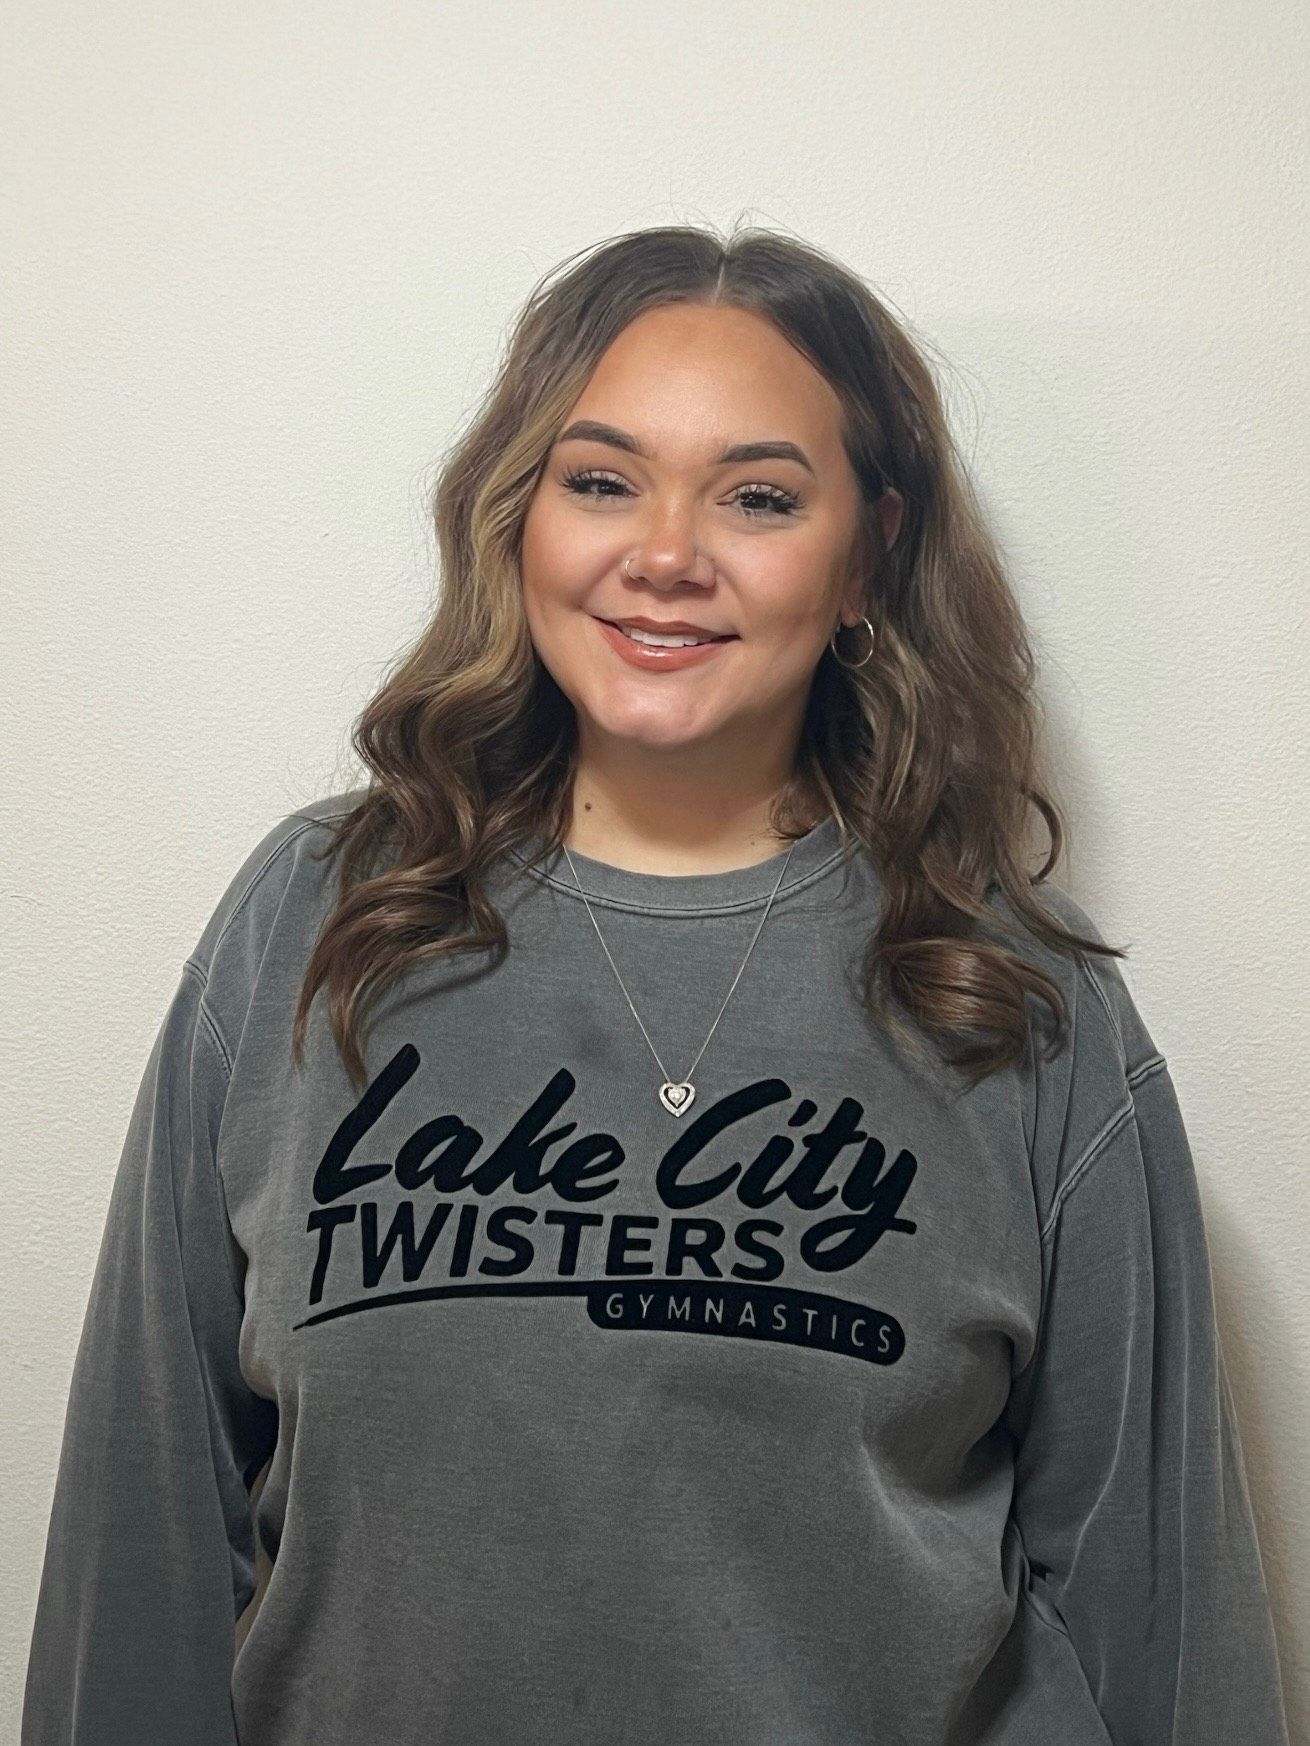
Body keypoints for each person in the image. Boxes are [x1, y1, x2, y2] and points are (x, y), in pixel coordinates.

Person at [22, 224, 1290, 1746]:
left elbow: (1163, 1624)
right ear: (520, 515)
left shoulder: (1015, 996)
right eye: (601, 478)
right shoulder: (318, 921)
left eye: (757, 496)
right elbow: (142, 1533)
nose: (667, 551)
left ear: (868, 552)